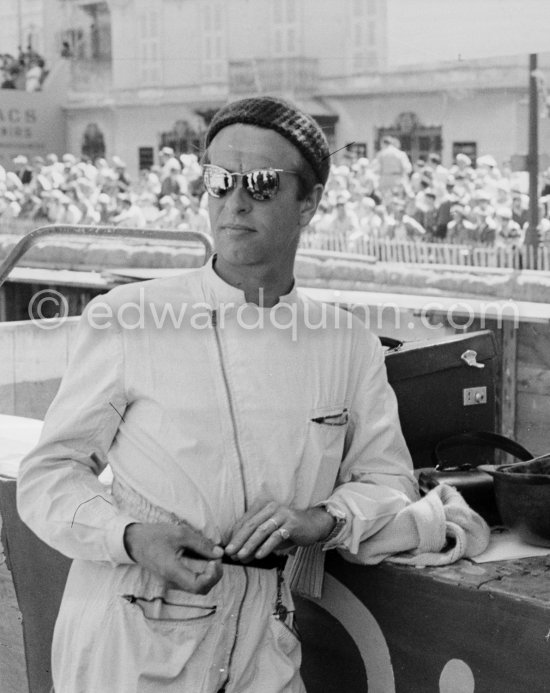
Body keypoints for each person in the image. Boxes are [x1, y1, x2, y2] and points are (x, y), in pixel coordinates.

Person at [17, 96, 418, 692]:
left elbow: (391, 486)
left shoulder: (347, 343)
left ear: (309, 201)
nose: (235, 201)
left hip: (264, 640)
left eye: (261, 183)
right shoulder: (130, 317)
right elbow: (49, 474)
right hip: (132, 636)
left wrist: (323, 519)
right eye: (218, 180)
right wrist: (129, 536)